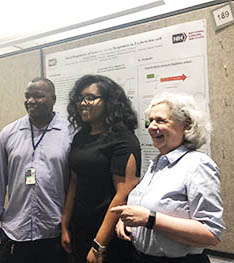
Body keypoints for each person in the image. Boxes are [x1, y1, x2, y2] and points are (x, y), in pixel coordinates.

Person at [111, 92, 225, 263]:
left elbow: (211, 234)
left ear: (186, 125)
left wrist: (149, 219)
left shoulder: (197, 165)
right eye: (150, 121)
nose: (150, 127)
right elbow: (145, 210)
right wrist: (127, 222)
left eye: (161, 120)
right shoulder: (158, 163)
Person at [61, 74, 141, 263]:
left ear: (109, 102)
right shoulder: (81, 136)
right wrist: (65, 224)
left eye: (90, 98)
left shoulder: (123, 138)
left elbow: (123, 194)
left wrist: (99, 245)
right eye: (80, 98)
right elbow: (74, 181)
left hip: (108, 234)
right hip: (79, 228)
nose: (83, 103)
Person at [0, 77, 73, 263]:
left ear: (53, 99)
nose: (31, 101)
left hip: (54, 231)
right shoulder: (9, 133)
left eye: (38, 96)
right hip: (16, 231)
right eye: (27, 96)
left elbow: (76, 183)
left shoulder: (70, 133)